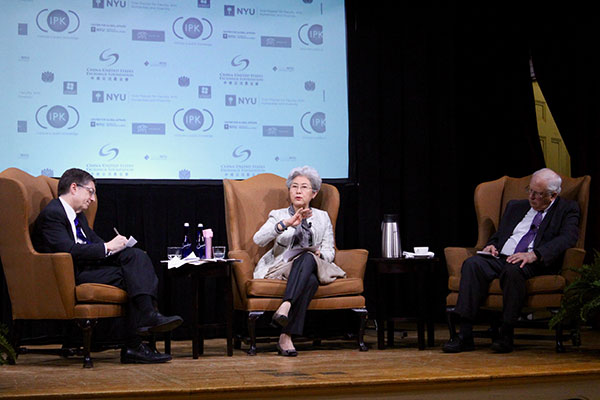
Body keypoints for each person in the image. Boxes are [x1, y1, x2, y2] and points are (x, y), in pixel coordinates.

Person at [32, 168, 183, 364]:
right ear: (74, 188)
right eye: (91, 191)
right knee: (133, 278)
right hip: (70, 274)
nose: (93, 199)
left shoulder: (79, 218)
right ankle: (135, 341)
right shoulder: (53, 214)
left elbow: (97, 244)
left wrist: (117, 246)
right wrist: (107, 247)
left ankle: (144, 323)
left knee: (136, 257)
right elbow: (67, 250)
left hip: (89, 268)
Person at [443, 168, 580, 354]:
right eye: (529, 190)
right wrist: (491, 246)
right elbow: (500, 235)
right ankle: (465, 335)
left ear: (553, 195)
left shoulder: (567, 209)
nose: (531, 197)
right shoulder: (516, 207)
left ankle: (506, 333)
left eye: (537, 194)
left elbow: (567, 238)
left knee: (513, 270)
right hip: (501, 256)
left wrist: (535, 254)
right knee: (473, 264)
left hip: (532, 261)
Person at [253, 166, 346, 356]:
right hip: (282, 267)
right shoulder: (278, 215)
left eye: (304, 187)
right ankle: (285, 333)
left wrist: (320, 255)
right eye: (294, 186)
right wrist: (286, 224)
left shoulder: (322, 217)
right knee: (309, 278)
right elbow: (258, 239)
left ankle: (286, 314)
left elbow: (330, 250)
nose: (298, 191)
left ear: (314, 193)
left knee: (308, 260)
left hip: (313, 265)